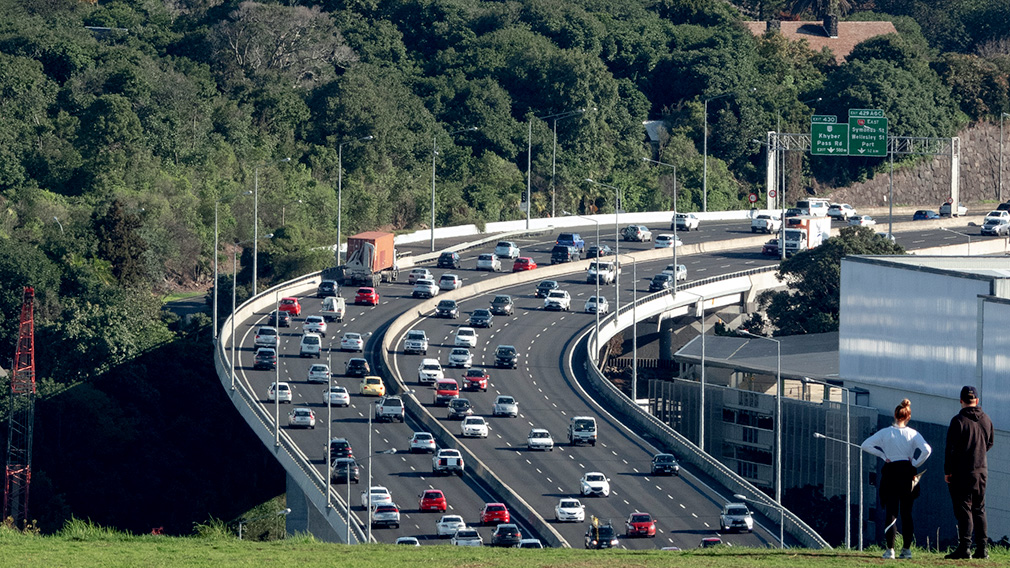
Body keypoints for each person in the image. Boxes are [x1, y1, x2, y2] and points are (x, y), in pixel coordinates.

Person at [861, 398, 932, 560]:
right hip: (908, 473)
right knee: (907, 513)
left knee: (891, 512)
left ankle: (890, 550)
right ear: (908, 417)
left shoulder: (885, 433)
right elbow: (927, 449)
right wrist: (915, 462)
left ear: (895, 415)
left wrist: (882, 455)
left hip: (891, 472)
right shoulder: (913, 433)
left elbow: (865, 445)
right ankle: (906, 550)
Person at [944, 385, 994, 560]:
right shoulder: (986, 419)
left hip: (962, 472)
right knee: (979, 509)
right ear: (977, 400)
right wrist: (978, 452)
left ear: (961, 400)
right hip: (981, 471)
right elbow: (989, 443)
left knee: (964, 509)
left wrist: (948, 471)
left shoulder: (958, 420)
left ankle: (965, 548)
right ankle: (982, 549)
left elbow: (950, 449)